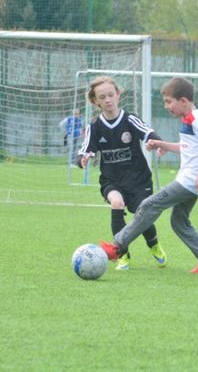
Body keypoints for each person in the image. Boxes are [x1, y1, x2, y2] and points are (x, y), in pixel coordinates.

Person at [99, 77, 198, 274]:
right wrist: (161, 144)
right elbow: (187, 147)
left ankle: (117, 246)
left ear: (183, 101)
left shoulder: (196, 119)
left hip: (192, 179)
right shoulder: (190, 118)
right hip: (191, 178)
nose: (166, 106)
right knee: (179, 222)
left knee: (150, 204)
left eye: (168, 101)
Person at [77, 76, 167, 271]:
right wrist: (83, 158)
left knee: (141, 213)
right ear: (95, 101)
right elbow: (85, 149)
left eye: (111, 95)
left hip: (138, 179)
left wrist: (157, 143)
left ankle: (153, 244)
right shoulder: (95, 127)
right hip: (112, 180)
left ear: (118, 95)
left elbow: (148, 132)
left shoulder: (129, 119)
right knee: (117, 203)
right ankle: (122, 254)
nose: (108, 100)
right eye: (102, 97)